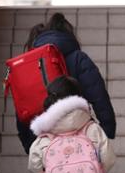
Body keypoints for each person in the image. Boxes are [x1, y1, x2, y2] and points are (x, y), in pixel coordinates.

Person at [17, 13, 116, 153]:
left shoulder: (29, 65)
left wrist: (30, 145)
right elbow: (98, 95)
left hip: (46, 137)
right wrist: (107, 129)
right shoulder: (78, 59)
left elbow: (22, 107)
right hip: (79, 131)